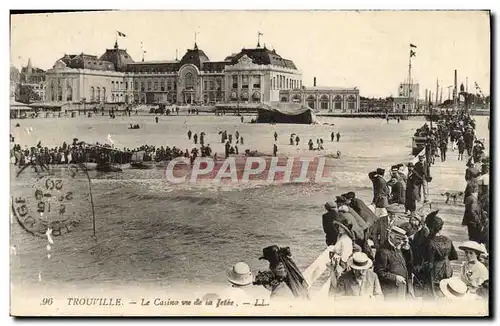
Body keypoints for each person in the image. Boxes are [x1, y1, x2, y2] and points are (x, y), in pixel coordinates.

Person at [419, 213, 458, 299]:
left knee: (432, 295)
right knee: (445, 292)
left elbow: (426, 260)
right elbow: (454, 256)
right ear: (441, 227)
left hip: (434, 271)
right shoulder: (448, 240)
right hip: (447, 268)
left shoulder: (428, 242)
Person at [374, 225, 413, 300]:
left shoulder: (398, 247)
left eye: (403, 239)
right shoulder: (383, 251)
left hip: (401, 289)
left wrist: (407, 246)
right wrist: (395, 278)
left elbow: (409, 263)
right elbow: (379, 273)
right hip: (390, 292)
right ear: (391, 236)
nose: (401, 242)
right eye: (398, 239)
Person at [327, 220, 355, 294]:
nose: (339, 228)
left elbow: (345, 258)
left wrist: (339, 269)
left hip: (340, 267)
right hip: (336, 265)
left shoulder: (346, 240)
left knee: (338, 287)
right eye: (339, 226)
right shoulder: (341, 237)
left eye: (341, 227)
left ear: (345, 229)